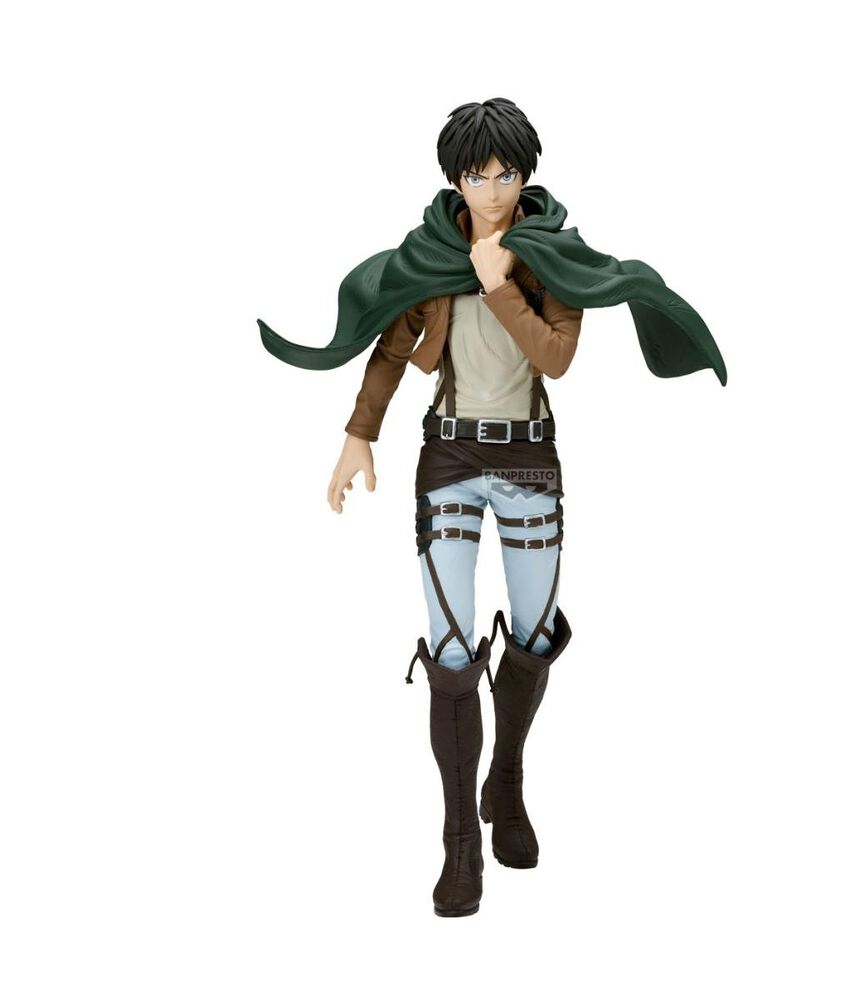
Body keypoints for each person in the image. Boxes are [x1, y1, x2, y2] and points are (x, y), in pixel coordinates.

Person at [257, 97, 726, 919]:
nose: (495, 189)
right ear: (456, 181)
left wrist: (501, 283)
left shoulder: (554, 259)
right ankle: (458, 842)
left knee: (536, 636)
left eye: (508, 173)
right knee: (449, 649)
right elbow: (389, 350)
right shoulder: (431, 258)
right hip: (448, 458)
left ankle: (505, 779)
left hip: (529, 459)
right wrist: (357, 436)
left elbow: (558, 356)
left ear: (526, 174)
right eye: (479, 176)